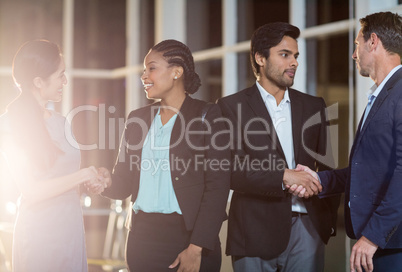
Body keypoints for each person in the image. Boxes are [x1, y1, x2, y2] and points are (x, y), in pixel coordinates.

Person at [95, 39, 231, 271]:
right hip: (142, 239)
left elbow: (217, 188)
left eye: (152, 68)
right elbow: (123, 182)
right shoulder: (137, 119)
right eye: (144, 69)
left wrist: (196, 248)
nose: (144, 76)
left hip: (188, 239)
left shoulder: (207, 115)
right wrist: (106, 181)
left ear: (177, 72)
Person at [217, 22, 340, 271]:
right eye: (285, 55)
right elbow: (229, 170)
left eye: (295, 56)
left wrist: (324, 217)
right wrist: (283, 176)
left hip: (308, 229)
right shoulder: (230, 107)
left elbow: (329, 167)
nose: (294, 62)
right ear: (260, 58)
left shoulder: (314, 106)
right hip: (253, 231)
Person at [297, 11, 402, 272]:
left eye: (357, 45)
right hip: (380, 244)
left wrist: (373, 236)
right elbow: (371, 170)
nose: (354, 55)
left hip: (390, 245)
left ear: (373, 42)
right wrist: (319, 180)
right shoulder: (380, 95)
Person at [1, 40, 104, 271]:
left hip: (71, 228)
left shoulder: (61, 122)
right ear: (38, 81)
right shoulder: (8, 125)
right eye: (60, 75)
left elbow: (64, 175)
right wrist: (82, 175)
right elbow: (32, 190)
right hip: (39, 235)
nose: (65, 81)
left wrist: (89, 182)